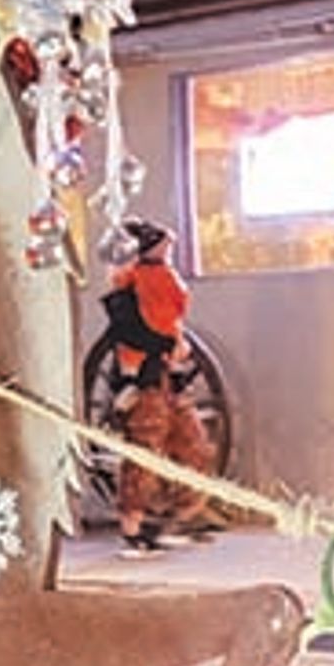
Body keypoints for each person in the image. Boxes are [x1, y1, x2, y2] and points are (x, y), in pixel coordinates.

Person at [96, 218, 211, 551]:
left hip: (170, 378)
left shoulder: (165, 281)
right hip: (144, 378)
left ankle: (180, 515)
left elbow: (171, 321)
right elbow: (127, 332)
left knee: (193, 444)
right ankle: (133, 526)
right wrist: (161, 346)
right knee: (144, 450)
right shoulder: (127, 287)